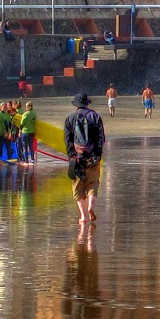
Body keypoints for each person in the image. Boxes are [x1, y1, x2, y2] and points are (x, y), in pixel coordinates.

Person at [65, 93, 106, 225]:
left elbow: (68, 140)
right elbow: (101, 139)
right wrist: (98, 155)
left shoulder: (70, 118)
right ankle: (91, 207)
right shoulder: (96, 117)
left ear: (76, 104)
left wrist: (72, 155)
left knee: (78, 188)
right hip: (93, 157)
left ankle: (83, 216)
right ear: (87, 103)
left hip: (77, 158)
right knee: (93, 184)